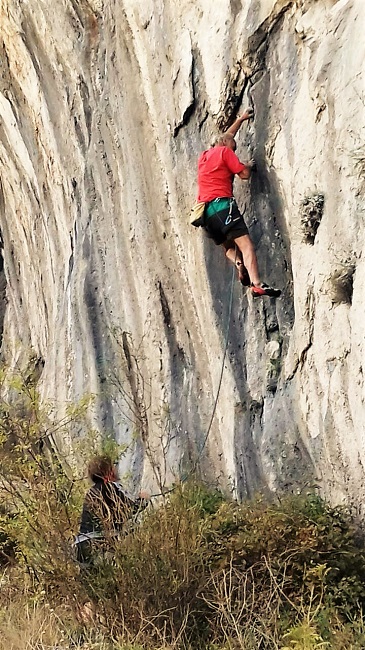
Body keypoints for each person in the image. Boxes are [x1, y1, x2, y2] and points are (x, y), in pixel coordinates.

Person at [196, 108, 281, 298]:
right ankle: (257, 284)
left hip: (206, 216)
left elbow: (227, 136)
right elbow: (243, 175)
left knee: (228, 248)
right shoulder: (226, 152)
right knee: (246, 246)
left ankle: (238, 263)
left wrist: (241, 118)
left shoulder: (204, 156)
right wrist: (247, 166)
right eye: (233, 147)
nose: (234, 150)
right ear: (226, 145)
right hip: (223, 208)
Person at [74, 455, 149, 564]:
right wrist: (143, 500)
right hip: (101, 544)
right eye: (113, 466)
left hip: (82, 545)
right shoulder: (112, 487)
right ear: (108, 471)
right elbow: (129, 509)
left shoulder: (90, 493)